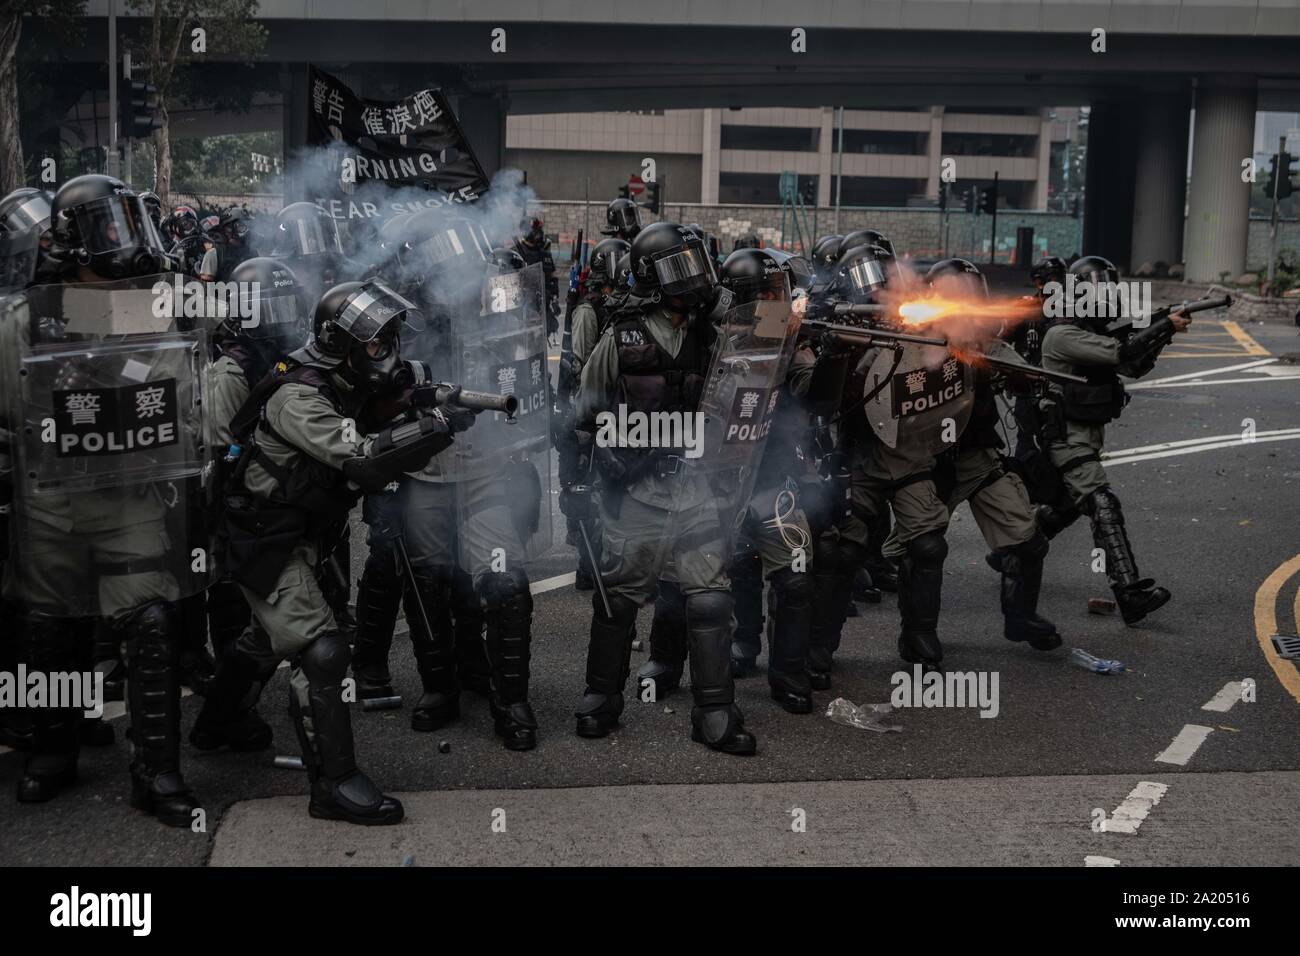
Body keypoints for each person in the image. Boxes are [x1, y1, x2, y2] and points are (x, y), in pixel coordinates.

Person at [195, 277, 472, 824]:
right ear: (337, 340)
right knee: (321, 650)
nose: (386, 353)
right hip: (265, 538)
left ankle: (217, 724)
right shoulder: (300, 395)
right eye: (375, 343)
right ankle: (334, 785)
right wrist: (432, 429)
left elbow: (375, 416)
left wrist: (422, 404)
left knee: (266, 635)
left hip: (298, 531)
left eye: (389, 341)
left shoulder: (339, 379)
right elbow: (365, 458)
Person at [2, 174, 205, 823]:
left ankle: (157, 769)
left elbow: (171, 396)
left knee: (148, 622)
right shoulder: (22, 320)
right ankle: (53, 752)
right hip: (52, 500)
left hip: (126, 498)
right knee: (49, 629)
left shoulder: (148, 306)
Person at [573, 221, 759, 755]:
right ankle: (601, 697)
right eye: (679, 268)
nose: (694, 279)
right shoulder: (621, 337)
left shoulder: (716, 332)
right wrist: (581, 478)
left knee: (709, 600)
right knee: (618, 599)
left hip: (699, 491)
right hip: (637, 493)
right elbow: (586, 409)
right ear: (652, 278)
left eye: (695, 263)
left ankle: (715, 712)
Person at [1033, 255, 1189, 624]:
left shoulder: (1090, 334)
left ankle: (1014, 553)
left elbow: (1134, 366)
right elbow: (1123, 352)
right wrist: (1165, 324)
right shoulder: (1063, 335)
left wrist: (1163, 331)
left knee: (1067, 509)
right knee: (1102, 503)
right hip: (1066, 439)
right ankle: (1130, 595)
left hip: (1085, 438)